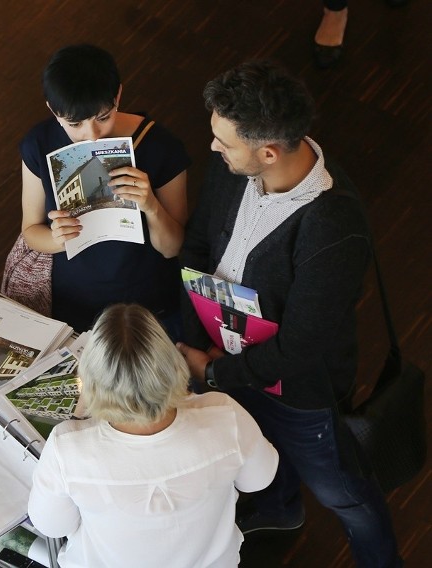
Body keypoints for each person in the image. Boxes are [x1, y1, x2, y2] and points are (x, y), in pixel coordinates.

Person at [176, 60, 402, 567]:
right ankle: (279, 510)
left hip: (298, 391)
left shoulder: (333, 227)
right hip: (227, 360)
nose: (213, 148)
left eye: (224, 141)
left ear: (269, 152)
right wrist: (206, 348)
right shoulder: (235, 166)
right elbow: (197, 243)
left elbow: (301, 345)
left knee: (345, 493)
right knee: (258, 452)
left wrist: (212, 370)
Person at [28, 304, 278, 568]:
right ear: (172, 364)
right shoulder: (224, 415)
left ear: (91, 379)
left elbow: (53, 525)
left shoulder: (67, 447)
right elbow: (258, 480)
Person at [19, 44, 190, 334]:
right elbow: (31, 231)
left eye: (103, 117)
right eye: (74, 123)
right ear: (52, 109)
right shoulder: (39, 143)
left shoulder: (162, 148)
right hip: (73, 300)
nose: (91, 134)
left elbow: (173, 247)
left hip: (148, 303)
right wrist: (57, 238)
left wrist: (150, 205)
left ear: (118, 95)